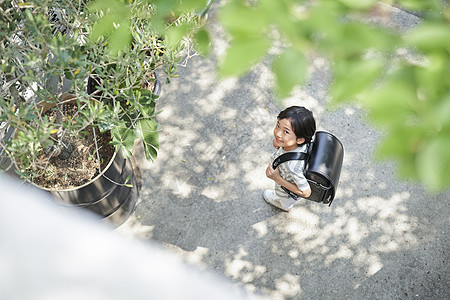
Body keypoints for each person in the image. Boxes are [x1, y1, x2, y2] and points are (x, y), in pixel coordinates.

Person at [264, 106, 316, 211]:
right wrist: (280, 144)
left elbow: (306, 192)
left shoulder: (293, 167)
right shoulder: (296, 144)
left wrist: (277, 178)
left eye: (286, 132)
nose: (277, 133)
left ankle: (284, 206)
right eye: (278, 126)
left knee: (285, 201)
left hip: (287, 193)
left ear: (300, 139)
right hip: (286, 172)